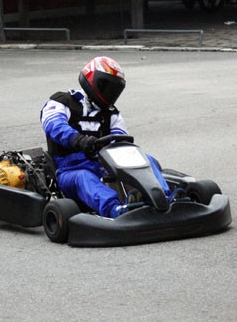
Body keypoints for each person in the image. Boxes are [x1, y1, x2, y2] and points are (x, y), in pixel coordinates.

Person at [40, 56, 170, 219]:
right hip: (71, 170)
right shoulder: (61, 102)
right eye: (106, 87)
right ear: (92, 79)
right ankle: (115, 210)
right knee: (84, 177)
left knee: (146, 158)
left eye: (114, 90)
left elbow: (121, 139)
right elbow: (54, 126)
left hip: (104, 165)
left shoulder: (111, 114)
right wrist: (79, 140)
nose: (110, 94)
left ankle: (163, 198)